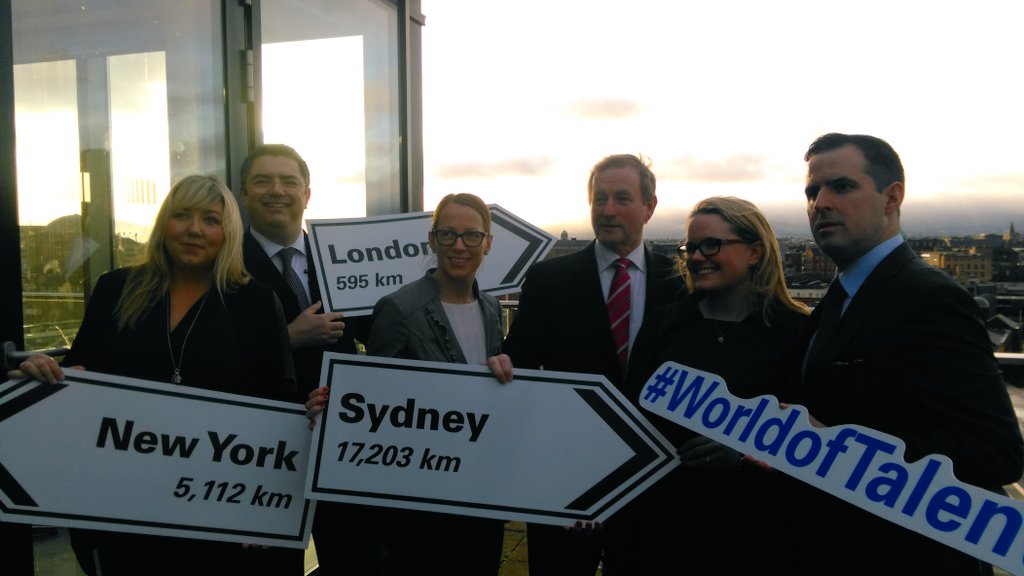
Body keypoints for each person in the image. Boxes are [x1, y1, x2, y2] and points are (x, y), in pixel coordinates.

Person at [14, 174, 299, 575]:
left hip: (214, 509)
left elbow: (278, 403)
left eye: (210, 220)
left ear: (228, 232)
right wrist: (44, 373)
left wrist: (261, 506)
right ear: (165, 223)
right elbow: (79, 374)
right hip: (120, 504)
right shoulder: (116, 289)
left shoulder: (255, 301)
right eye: (182, 216)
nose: (194, 229)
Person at [787, 132, 1024, 574]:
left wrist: (837, 449)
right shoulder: (842, 296)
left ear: (892, 197)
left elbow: (995, 451)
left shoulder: (930, 298)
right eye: (812, 192)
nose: (820, 203)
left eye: (842, 186)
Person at [308, 192, 513, 575]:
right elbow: (374, 402)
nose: (459, 246)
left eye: (471, 235)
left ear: (487, 243)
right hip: (422, 498)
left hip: (478, 484)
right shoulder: (398, 308)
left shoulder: (490, 307)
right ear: (432, 240)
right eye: (448, 234)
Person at [501, 153, 684, 575]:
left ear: (649, 207)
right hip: (567, 477)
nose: (608, 209)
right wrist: (502, 361)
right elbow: (521, 359)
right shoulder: (548, 279)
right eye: (599, 198)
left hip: (653, 479)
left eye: (622, 198)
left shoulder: (680, 280)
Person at [613, 196, 809, 573]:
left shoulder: (796, 332)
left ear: (755, 251)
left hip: (755, 532)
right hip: (662, 528)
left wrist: (745, 453)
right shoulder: (663, 324)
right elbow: (631, 417)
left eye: (711, 245)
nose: (697, 257)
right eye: (690, 248)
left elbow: (809, 432)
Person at [239, 143, 378, 575]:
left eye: (289, 182)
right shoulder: (224, 263)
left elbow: (383, 335)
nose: (276, 191)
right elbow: (212, 354)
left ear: (307, 194)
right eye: (262, 181)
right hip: (263, 448)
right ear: (244, 193)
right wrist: (289, 338)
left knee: (354, 558)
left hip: (341, 442)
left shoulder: (342, 257)